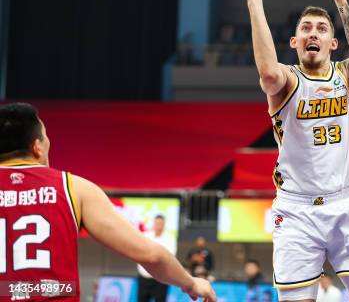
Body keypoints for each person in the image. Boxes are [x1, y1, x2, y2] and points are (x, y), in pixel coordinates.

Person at [224, 0, 349, 302]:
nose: (314, 33)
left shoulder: (346, 74)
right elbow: (267, 73)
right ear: (295, 42)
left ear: (332, 42)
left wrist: (341, 2)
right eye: (306, 28)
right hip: (296, 211)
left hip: (347, 204)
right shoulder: (286, 79)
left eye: (322, 29)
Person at [0, 103, 216, 302]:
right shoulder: (74, 188)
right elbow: (151, 255)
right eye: (46, 138)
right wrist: (191, 283)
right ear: (37, 147)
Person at [137, 214, 177, 302]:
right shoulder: (145, 236)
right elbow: (139, 252)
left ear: (164, 225)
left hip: (161, 278)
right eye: (157, 223)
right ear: (153, 224)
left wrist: (153, 256)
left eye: (160, 223)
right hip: (144, 276)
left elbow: (170, 256)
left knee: (160, 299)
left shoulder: (170, 238)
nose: (158, 226)